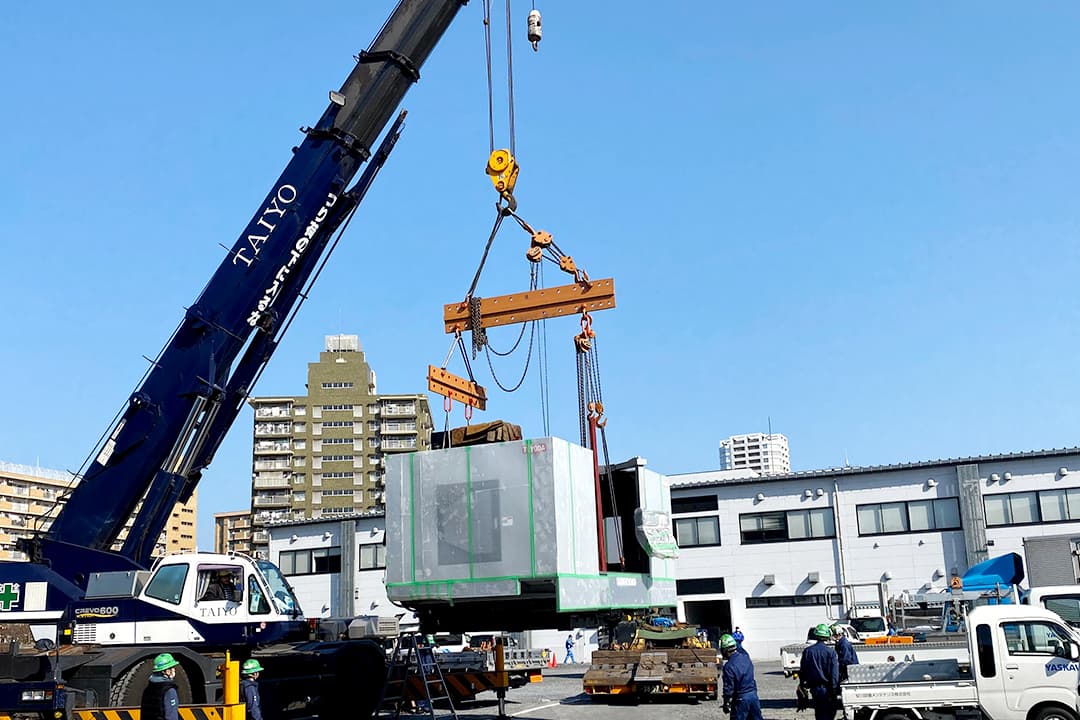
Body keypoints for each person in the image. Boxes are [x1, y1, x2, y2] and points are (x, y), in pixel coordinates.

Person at [799, 623, 839, 720]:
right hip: (828, 689)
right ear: (827, 636)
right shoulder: (831, 652)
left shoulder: (808, 651)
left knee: (819, 713)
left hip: (814, 688)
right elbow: (834, 674)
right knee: (829, 714)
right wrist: (834, 689)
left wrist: (802, 685)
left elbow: (803, 670)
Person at [719, 633, 763, 720]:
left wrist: (726, 702)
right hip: (753, 696)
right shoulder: (745, 657)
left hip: (741, 699)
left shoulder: (729, 666)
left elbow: (728, 688)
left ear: (725, 650)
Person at [140, 653, 180, 720]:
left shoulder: (147, 690)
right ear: (167, 671)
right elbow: (171, 716)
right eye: (172, 668)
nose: (174, 670)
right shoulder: (169, 691)